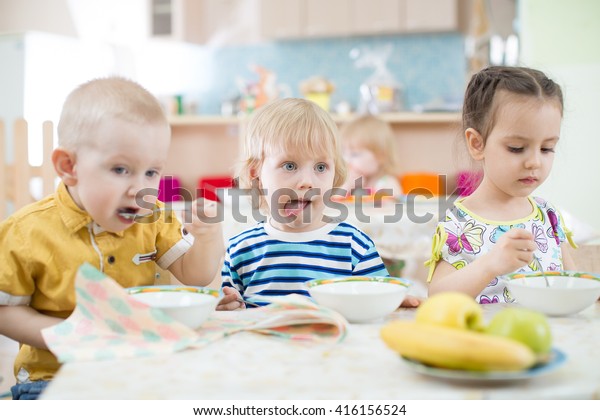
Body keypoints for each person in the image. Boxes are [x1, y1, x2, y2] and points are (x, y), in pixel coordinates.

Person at [0, 77, 226, 399]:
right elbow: (4, 311)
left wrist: (207, 236)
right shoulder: (26, 231)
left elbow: (197, 276)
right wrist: (65, 335)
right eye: (121, 170)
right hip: (54, 377)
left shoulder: (153, 215)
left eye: (151, 172)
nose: (140, 188)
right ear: (69, 166)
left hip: (140, 367)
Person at [220, 98, 421, 308]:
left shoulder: (355, 246)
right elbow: (229, 308)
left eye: (321, 167)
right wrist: (229, 306)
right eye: (289, 166)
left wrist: (393, 301)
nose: (307, 181)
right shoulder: (240, 249)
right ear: (256, 174)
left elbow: (379, 302)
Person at [425, 66, 577, 304]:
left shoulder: (548, 216)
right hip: (488, 340)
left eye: (547, 148)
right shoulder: (459, 224)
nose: (534, 162)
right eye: (516, 148)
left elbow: (573, 282)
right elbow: (437, 298)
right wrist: (489, 265)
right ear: (477, 143)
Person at [340, 114, 402, 198]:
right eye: (343, 153)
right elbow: (331, 204)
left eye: (354, 154)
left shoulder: (387, 183)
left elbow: (395, 208)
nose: (347, 160)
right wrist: (346, 187)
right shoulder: (349, 182)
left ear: (380, 157)